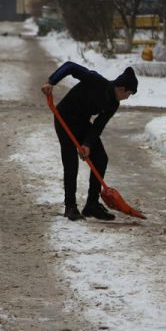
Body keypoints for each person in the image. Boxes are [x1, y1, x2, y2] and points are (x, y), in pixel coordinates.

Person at [41, 62, 138, 221]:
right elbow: (70, 66)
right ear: (122, 89)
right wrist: (51, 82)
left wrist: (87, 144)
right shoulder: (95, 80)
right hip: (64, 117)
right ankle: (70, 206)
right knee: (71, 162)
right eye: (129, 94)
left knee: (100, 158)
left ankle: (91, 204)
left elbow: (98, 125)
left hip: (82, 122)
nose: (128, 97)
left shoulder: (113, 103)